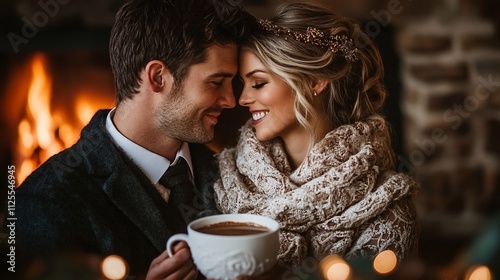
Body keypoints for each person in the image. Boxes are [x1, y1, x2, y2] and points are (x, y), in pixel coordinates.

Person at [10, 0, 253, 279]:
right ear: (158, 77)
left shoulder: (230, 171)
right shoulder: (45, 200)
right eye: (216, 82)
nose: (231, 101)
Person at [214, 2, 420, 267]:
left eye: (259, 83)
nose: (242, 99)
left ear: (314, 81)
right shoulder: (226, 179)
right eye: (244, 85)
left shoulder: (388, 210)